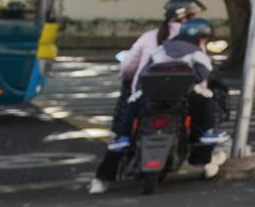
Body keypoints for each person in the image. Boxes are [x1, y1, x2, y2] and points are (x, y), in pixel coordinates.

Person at [90, 17, 226, 194]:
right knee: (207, 102)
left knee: (128, 121)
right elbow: (202, 76)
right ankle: (207, 138)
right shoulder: (197, 53)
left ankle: (101, 178)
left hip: (151, 95)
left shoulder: (161, 48)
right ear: (201, 38)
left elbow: (143, 72)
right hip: (182, 97)